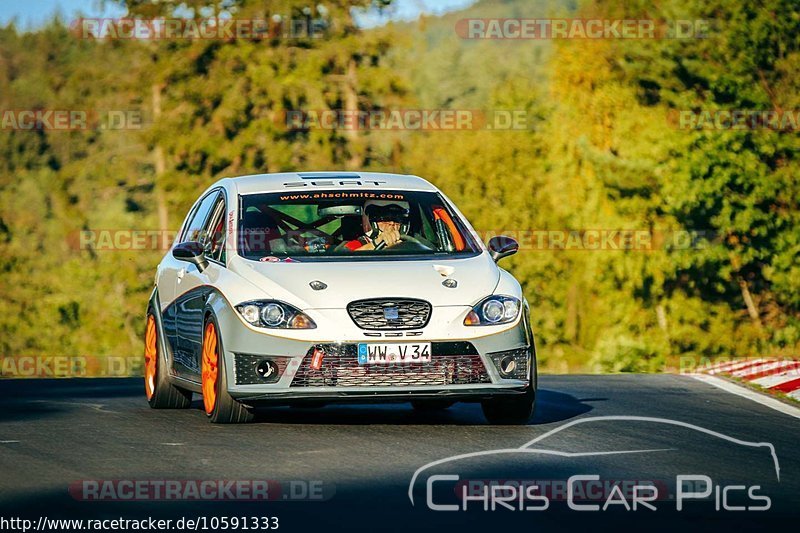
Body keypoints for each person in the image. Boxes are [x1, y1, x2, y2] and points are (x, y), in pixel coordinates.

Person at [343, 202, 410, 251]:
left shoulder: (412, 245)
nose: (391, 223)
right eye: (384, 218)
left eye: (397, 218)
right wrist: (376, 243)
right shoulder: (355, 245)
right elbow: (345, 262)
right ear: (369, 221)